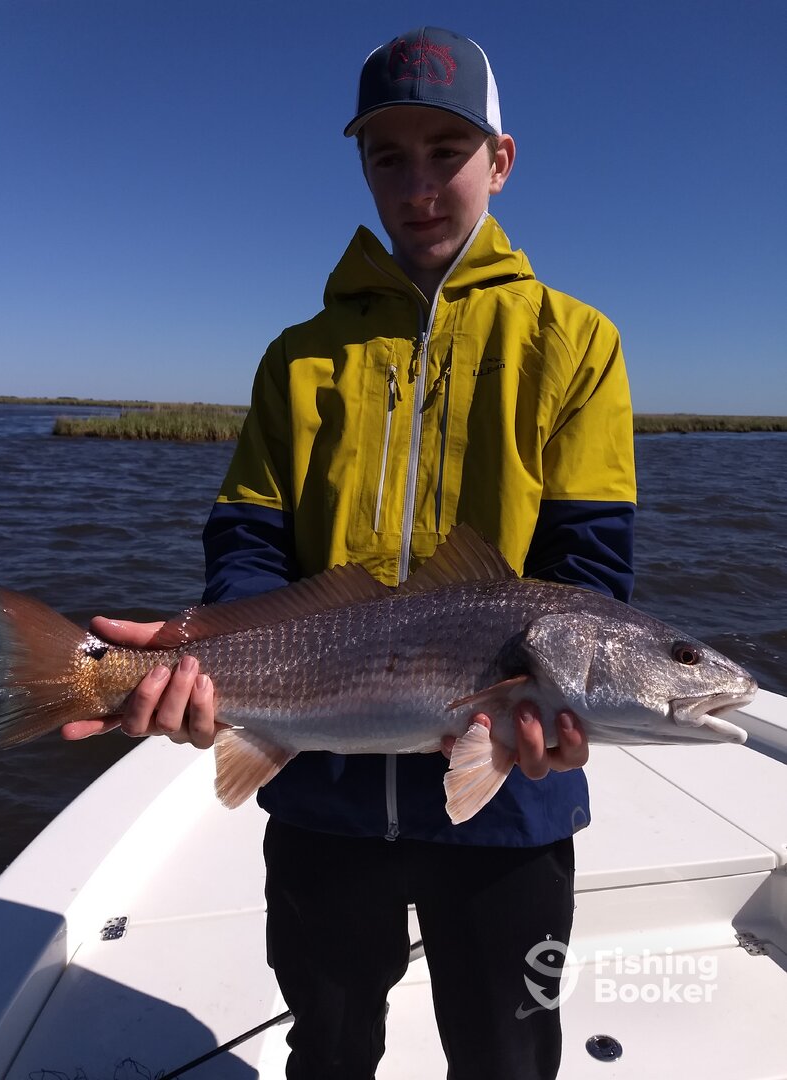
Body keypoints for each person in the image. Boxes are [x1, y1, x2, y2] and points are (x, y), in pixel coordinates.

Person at [63, 26, 635, 1080]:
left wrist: (556, 711)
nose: (418, 185)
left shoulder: (578, 343)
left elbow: (587, 575)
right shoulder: (297, 359)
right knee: (326, 1049)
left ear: (501, 160)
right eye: (388, 156)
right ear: (362, 166)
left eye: (447, 151)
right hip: (318, 793)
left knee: (509, 1056)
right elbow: (248, 545)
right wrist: (202, 660)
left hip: (510, 809)